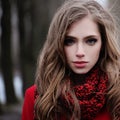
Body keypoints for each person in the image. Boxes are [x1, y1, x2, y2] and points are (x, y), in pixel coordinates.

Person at [22, 0, 120, 120]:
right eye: (69, 41)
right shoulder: (36, 98)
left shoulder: (116, 96)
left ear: (103, 43)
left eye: (90, 41)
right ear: (58, 44)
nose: (80, 52)